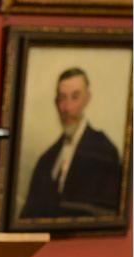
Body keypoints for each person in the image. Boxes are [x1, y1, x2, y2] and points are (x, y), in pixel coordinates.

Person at [20, 67, 122, 219]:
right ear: (56, 102)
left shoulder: (105, 151)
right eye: (62, 98)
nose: (67, 108)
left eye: (75, 97)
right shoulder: (46, 159)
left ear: (87, 98)